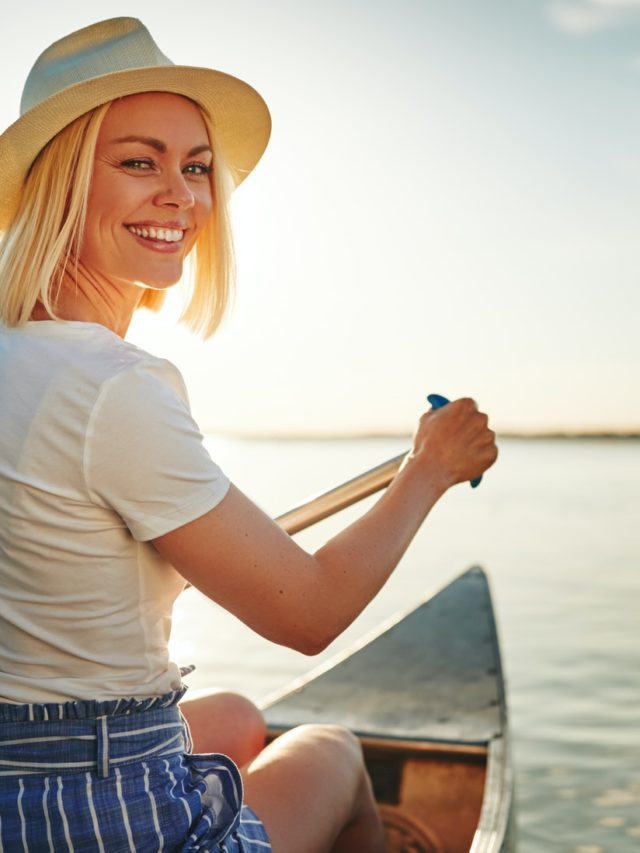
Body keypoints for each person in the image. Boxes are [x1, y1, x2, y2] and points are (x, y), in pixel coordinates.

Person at [0, 16, 498, 853]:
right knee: (334, 752)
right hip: (93, 820)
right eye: (138, 161)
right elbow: (307, 612)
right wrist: (429, 468)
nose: (182, 195)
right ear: (61, 182)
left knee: (232, 714)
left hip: (21, 763)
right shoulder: (115, 386)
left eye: (195, 167)